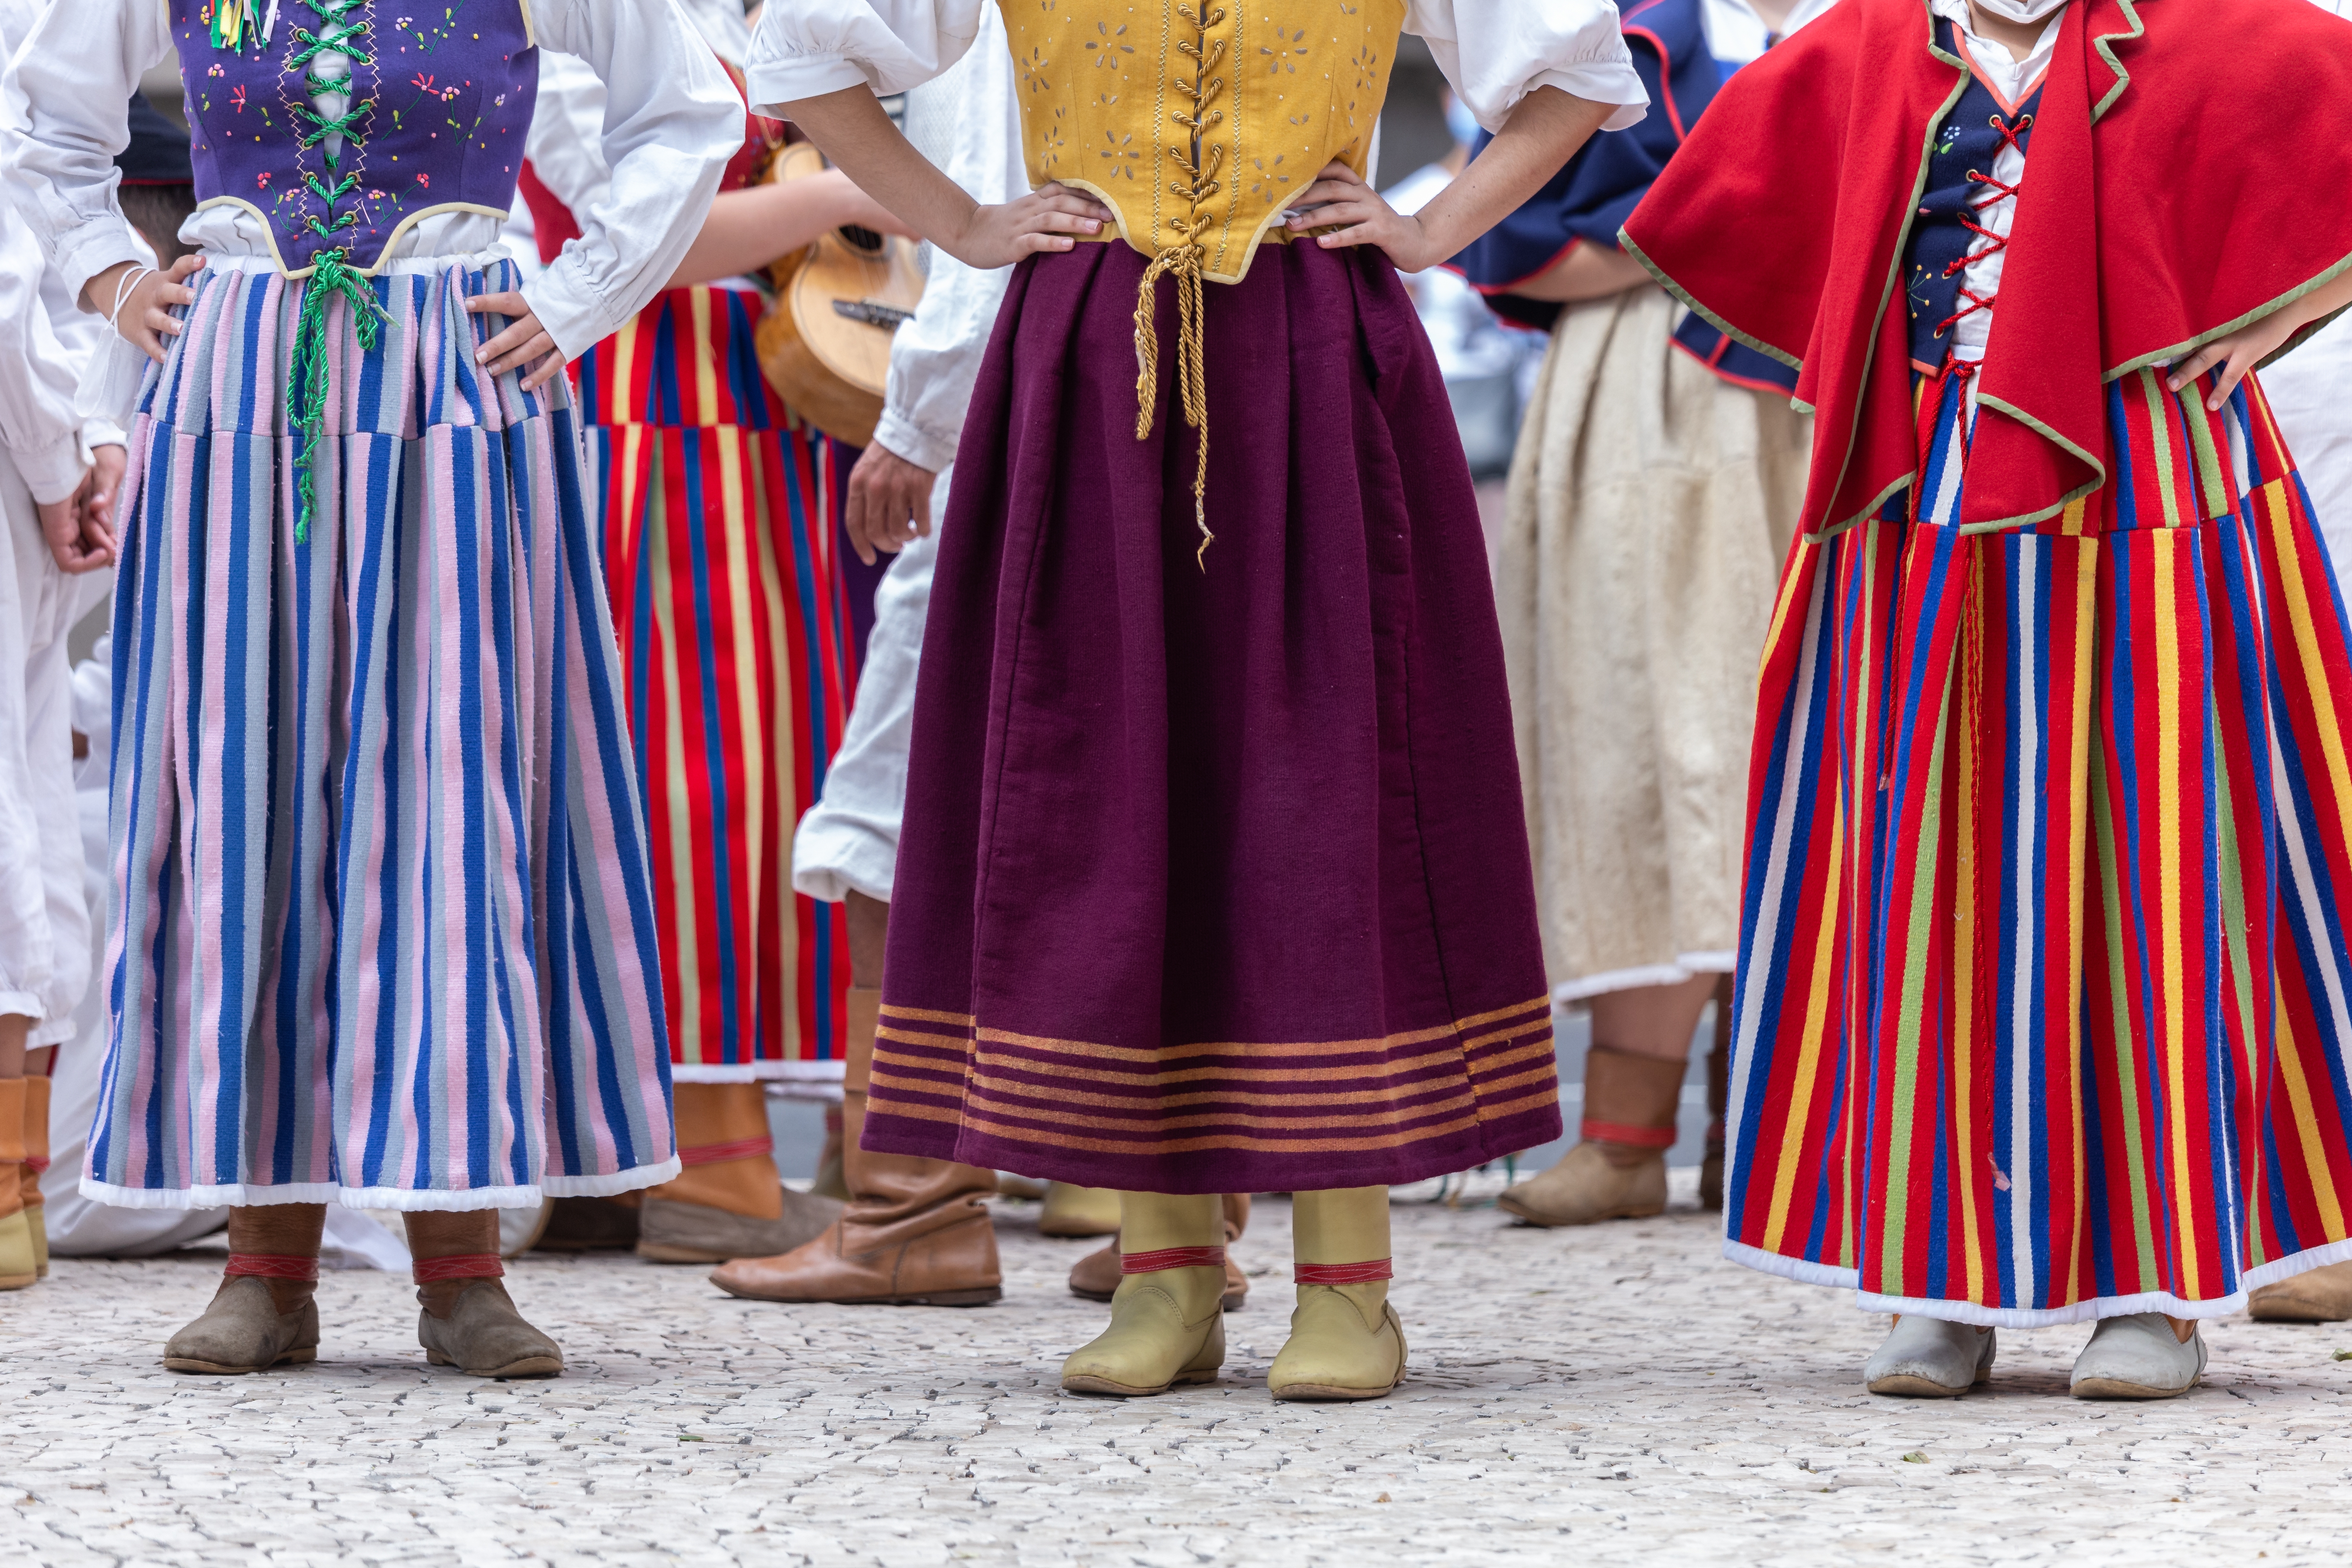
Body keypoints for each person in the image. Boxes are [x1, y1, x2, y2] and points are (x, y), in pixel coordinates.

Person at [747, 0, 1647, 1401]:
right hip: (1092, 355)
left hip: (1311, 353)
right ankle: (1165, 1273)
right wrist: (970, 223)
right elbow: (807, 52)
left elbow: (1582, 75)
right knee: (1114, 795)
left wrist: (1428, 230)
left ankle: (1351, 1287)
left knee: (1315, 794)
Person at [1627, 0, 2352, 1399]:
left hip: (2149, 480)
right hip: (1916, 498)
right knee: (1920, 869)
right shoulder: (1861, 45)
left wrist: (2295, 302)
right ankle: (1934, 1278)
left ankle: (2161, 1291)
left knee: (2152, 875)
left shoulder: (2199, 28)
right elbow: (1724, 203)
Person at [5, 0, 740, 1376]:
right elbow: (43, 121)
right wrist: (114, 275)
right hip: (235, 375)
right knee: (245, 780)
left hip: (453, 369)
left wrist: (583, 297)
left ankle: (460, 1267)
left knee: (449, 790)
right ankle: (263, 1265)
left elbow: (687, 111)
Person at [514, 0, 904, 1267]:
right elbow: (649, 236)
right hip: (657, 395)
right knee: (696, 775)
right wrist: (852, 189)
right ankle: (710, 1150)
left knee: (725, 769)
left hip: (737, 399)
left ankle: (618, 1150)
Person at [1457, 0, 1832, 1230]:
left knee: (1831, 737)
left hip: (1853, 386)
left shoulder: (1910, 24)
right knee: (1644, 722)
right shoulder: (1634, 23)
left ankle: (1796, 1119)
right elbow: (1509, 233)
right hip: (1650, 382)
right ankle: (1628, 1126)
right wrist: (1703, 252)